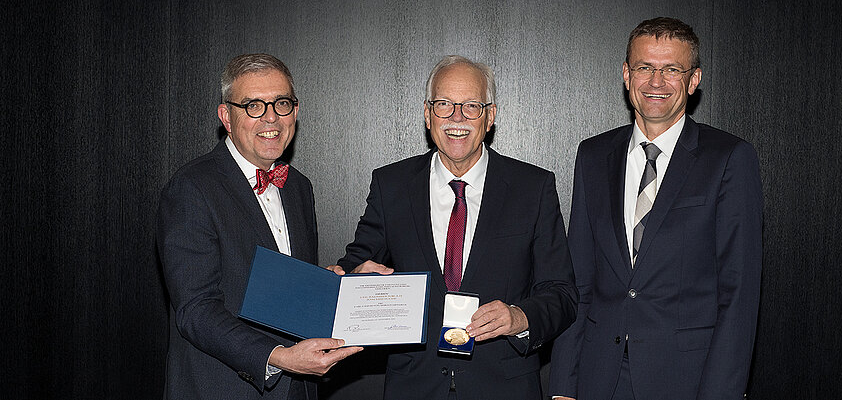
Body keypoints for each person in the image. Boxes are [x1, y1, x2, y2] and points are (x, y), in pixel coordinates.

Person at [333, 55, 577, 399]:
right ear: (427, 113)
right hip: (413, 387)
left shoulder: (532, 188)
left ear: (490, 116)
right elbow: (355, 263)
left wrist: (519, 317)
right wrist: (354, 276)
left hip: (504, 387)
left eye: (471, 106)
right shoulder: (391, 185)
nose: (456, 118)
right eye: (444, 105)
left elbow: (562, 294)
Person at [549, 17, 763, 400]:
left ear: (693, 80)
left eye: (671, 70)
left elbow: (739, 295)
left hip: (687, 380)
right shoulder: (594, 155)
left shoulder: (729, 158)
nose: (656, 82)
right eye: (645, 67)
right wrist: (564, 385)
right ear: (627, 75)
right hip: (599, 377)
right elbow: (579, 282)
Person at [157, 53, 362, 400]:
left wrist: (339, 283)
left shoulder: (298, 187)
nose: (271, 118)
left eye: (281, 103)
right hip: (222, 389)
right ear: (226, 117)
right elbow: (195, 310)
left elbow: (280, 286)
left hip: (298, 390)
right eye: (253, 105)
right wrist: (278, 358)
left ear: (295, 112)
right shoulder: (192, 188)